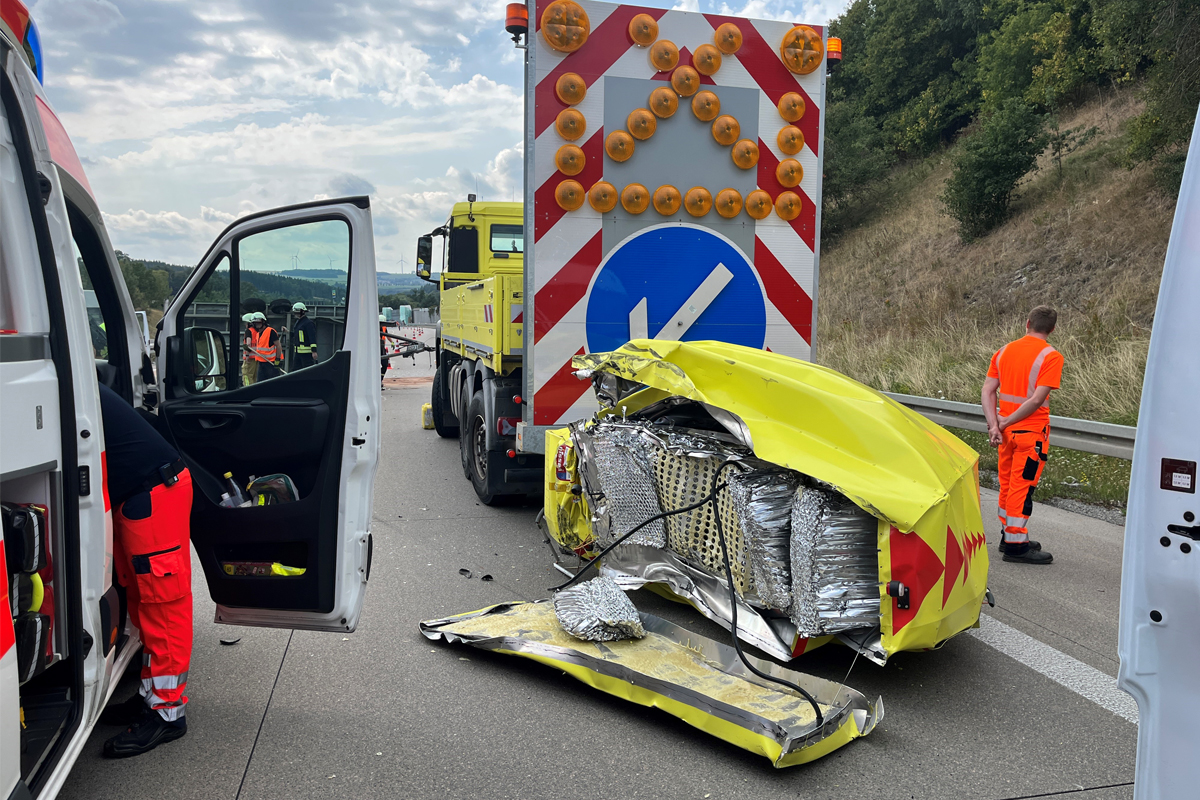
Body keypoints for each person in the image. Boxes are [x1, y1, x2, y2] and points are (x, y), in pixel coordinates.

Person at [95, 383, 193, 756]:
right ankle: (151, 695)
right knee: (143, 604)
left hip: (153, 492)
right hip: (143, 492)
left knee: (163, 607)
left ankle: (168, 714)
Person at [982, 305, 1063, 565]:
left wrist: (995, 425)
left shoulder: (1003, 351)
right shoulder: (1051, 356)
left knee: (1007, 485)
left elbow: (988, 390)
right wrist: (1005, 422)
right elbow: (1037, 399)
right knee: (1022, 489)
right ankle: (1016, 546)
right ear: (1052, 329)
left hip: (1005, 434)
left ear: (1027, 323)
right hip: (1031, 434)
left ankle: (1008, 535)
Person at [247, 311, 282, 381]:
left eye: (259, 323)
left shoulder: (270, 331)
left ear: (263, 322)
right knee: (260, 383)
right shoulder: (258, 334)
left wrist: (277, 359)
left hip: (271, 363)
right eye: (255, 323)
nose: (257, 325)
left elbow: (278, 346)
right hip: (261, 362)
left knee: (273, 383)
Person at [291, 302, 318, 368]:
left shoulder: (308, 323)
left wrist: (314, 351)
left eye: (297, 312)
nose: (296, 314)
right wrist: (288, 332)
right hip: (298, 353)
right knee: (295, 370)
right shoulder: (298, 323)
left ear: (302, 312)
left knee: (307, 370)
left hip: (306, 353)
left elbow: (312, 337)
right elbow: (297, 335)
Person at [240, 312, 258, 387]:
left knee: (246, 374)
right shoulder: (257, 331)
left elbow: (248, 343)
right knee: (254, 376)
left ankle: (247, 389)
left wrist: (247, 355)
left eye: (246, 323)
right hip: (257, 358)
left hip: (249, 358)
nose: (245, 325)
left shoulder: (249, 331)